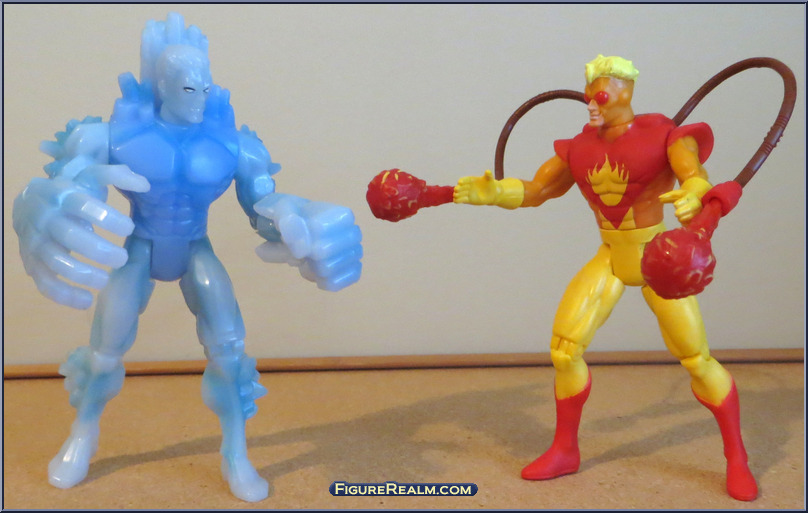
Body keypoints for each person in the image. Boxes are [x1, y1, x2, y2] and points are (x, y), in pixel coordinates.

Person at [12, 13, 362, 502]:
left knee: (230, 348)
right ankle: (82, 433)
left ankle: (236, 452)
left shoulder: (235, 147)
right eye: (187, 89)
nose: (198, 99)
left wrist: (295, 219)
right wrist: (43, 203)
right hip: (141, 244)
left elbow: (262, 210)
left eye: (204, 89)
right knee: (105, 348)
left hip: (195, 245)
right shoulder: (115, 136)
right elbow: (74, 186)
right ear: (163, 88)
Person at [453, 55, 757, 501]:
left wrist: (694, 196)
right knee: (564, 350)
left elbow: (695, 177)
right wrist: (494, 192)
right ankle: (564, 449)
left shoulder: (665, 135)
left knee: (696, 359)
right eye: (589, 90)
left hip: (658, 258)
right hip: (611, 255)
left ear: (625, 91)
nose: (591, 101)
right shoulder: (579, 146)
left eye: (601, 91)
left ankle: (737, 457)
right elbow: (538, 189)